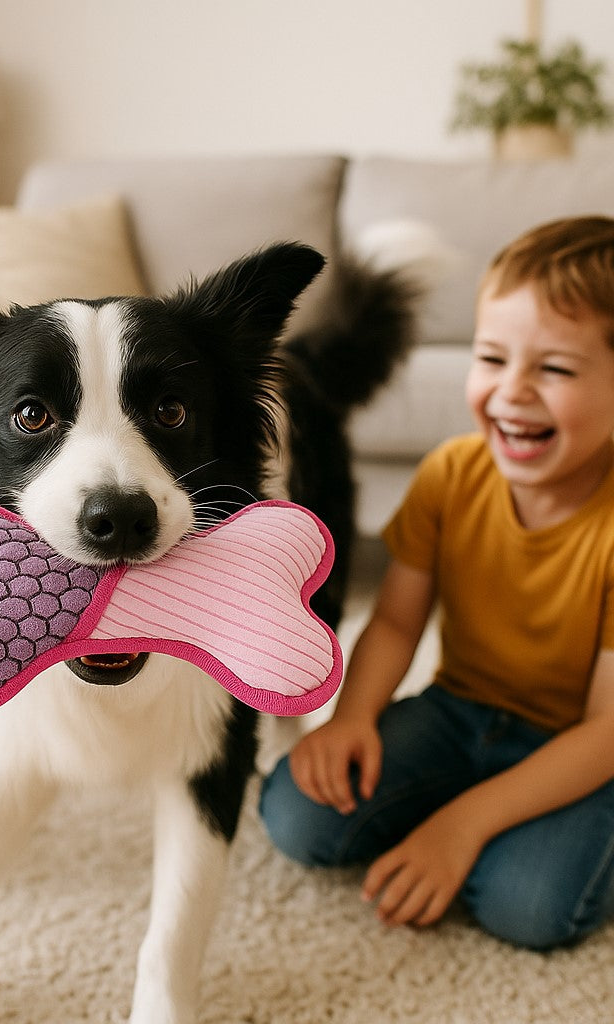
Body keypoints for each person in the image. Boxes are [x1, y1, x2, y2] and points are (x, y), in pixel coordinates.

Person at [260, 215, 614, 950]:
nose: (511, 391)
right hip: (461, 711)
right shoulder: (451, 474)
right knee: (297, 812)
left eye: (553, 368)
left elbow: (607, 732)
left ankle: (493, 814)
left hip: (582, 744)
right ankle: (480, 805)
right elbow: (393, 624)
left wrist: (462, 824)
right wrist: (354, 718)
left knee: (528, 907)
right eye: (491, 357)